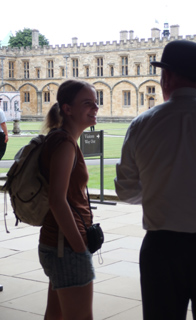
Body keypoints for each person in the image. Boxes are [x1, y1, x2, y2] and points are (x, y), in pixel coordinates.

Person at [115, 40, 196, 320]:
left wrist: (161, 192)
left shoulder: (141, 125)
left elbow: (126, 192)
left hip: (162, 249)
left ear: (166, 76)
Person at [39, 80, 99, 320]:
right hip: (66, 246)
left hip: (57, 244)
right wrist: (79, 246)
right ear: (67, 108)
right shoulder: (64, 144)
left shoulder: (62, 138)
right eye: (87, 103)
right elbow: (57, 200)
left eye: (96, 103)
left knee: (55, 315)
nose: (95, 108)